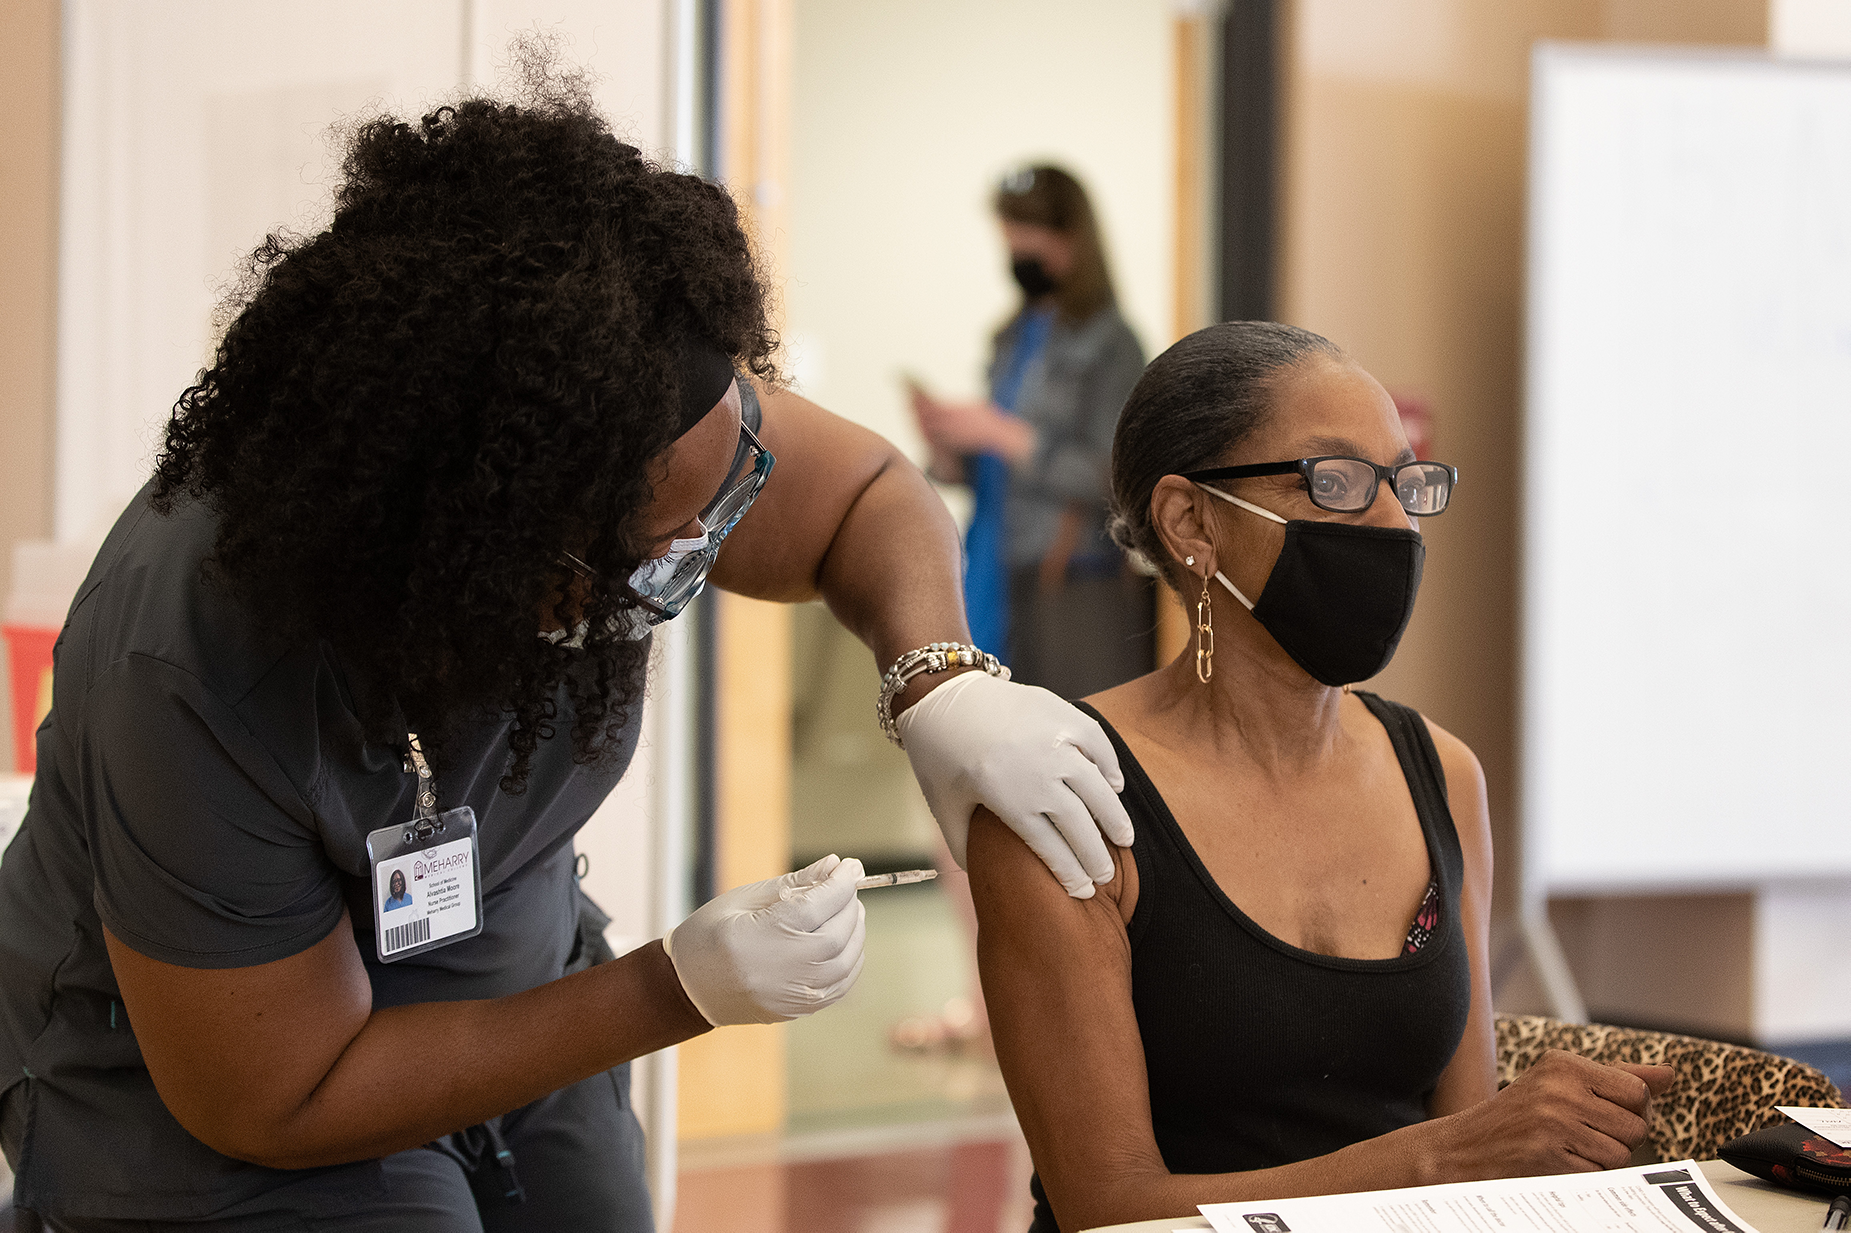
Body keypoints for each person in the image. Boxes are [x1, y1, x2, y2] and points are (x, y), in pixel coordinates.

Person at [0, 65, 1136, 1232]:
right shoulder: (195, 658)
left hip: (517, 987)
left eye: (732, 486)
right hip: (214, 1089)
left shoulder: (652, 403)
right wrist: (670, 986)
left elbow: (859, 499)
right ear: (480, 544)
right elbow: (281, 1094)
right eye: (652, 541)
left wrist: (937, 680)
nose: (705, 549)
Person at [968, 322, 1676, 1233]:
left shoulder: (1443, 773)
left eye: (1405, 482)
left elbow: (1471, 1149)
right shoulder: (1069, 791)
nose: (1393, 523)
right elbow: (1107, 1207)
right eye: (1336, 484)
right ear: (1191, 523)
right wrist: (1443, 1157)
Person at [909, 165, 1151, 700]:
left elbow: (1118, 478)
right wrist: (952, 450)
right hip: (994, 567)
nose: (1016, 254)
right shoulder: (1010, 337)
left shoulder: (1114, 345)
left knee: (1077, 747)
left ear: (1071, 240)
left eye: (1027, 239)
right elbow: (998, 474)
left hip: (1072, 582)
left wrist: (1004, 435)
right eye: (1009, 239)